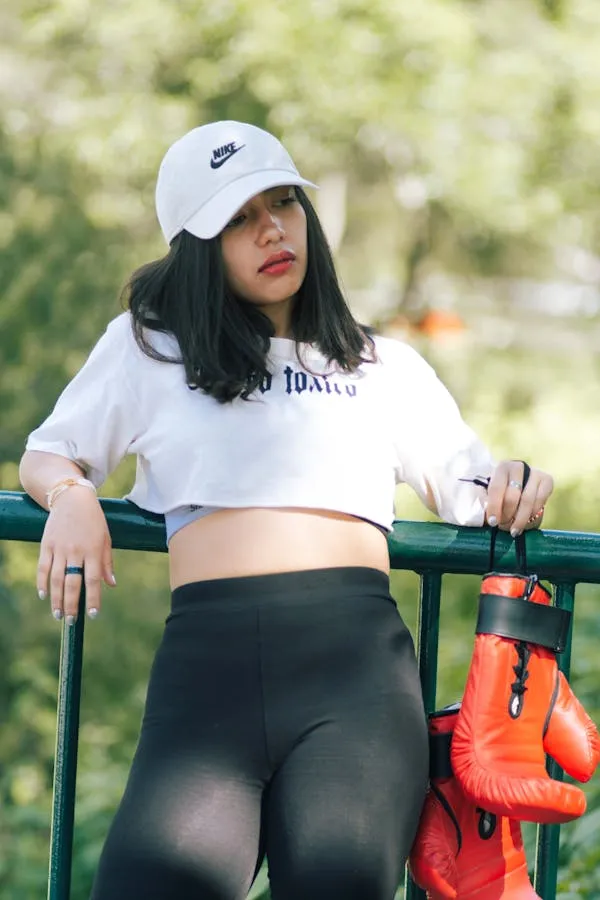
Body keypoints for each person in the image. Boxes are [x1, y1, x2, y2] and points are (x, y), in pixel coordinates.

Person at [19, 120, 554, 900]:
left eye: (283, 203)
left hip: (357, 684)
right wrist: (71, 497)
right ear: (197, 249)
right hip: (208, 676)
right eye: (238, 219)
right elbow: (50, 452)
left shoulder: (382, 366)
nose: (272, 230)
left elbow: (474, 487)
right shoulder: (149, 348)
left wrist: (517, 483)